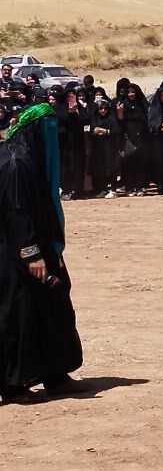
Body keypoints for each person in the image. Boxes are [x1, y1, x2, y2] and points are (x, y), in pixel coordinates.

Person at [0, 104, 84, 404]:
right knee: (18, 314)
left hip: (42, 246)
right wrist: (32, 254)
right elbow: (17, 212)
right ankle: (13, 383)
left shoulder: (29, 158)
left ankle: (55, 374)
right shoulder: (15, 161)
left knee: (54, 304)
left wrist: (54, 249)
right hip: (15, 253)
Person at [87, 98, 118, 197]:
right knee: (101, 168)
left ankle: (112, 190)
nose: (103, 110)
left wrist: (104, 131)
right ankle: (103, 189)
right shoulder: (95, 118)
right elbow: (92, 129)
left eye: (105, 108)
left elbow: (116, 131)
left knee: (110, 167)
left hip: (110, 147)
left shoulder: (112, 118)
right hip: (98, 147)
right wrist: (96, 130)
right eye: (100, 108)